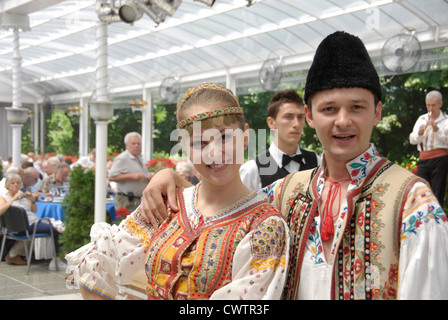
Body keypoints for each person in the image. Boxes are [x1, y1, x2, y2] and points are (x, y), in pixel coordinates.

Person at [140, 31, 448, 300]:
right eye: (329, 108)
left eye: (357, 107)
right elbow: (221, 205)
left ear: (377, 112)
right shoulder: (283, 194)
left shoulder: (412, 202)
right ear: (310, 116)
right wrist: (170, 178)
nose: (342, 120)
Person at [65, 83, 289, 300]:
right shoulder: (167, 204)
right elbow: (96, 264)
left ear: (246, 138)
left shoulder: (265, 226)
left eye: (225, 137)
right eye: (199, 142)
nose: (214, 152)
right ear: (185, 148)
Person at [240, 89, 319, 191]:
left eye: (300, 117)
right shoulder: (251, 170)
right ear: (271, 123)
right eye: (288, 117)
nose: (296, 124)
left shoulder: (317, 162)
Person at [0, 174, 64, 269]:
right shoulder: (3, 198)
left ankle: (56, 258)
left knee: (59, 227)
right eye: (12, 183)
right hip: (22, 226)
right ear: (7, 185)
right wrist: (14, 198)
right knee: (56, 230)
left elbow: (34, 210)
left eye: (18, 183)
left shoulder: (23, 195)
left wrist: (32, 200)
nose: (15, 185)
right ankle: (56, 260)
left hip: (33, 222)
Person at [409, 90, 448, 206]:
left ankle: (438, 220)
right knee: (420, 188)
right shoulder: (422, 119)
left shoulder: (445, 120)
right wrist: (419, 133)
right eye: (428, 105)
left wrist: (437, 130)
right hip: (424, 159)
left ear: (440, 104)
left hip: (440, 159)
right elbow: (412, 140)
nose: (430, 108)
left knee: (437, 192)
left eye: (433, 105)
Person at [108, 132, 151, 213]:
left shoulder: (139, 158)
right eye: (133, 143)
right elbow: (111, 177)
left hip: (138, 200)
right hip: (126, 201)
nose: (136, 146)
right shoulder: (122, 158)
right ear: (126, 145)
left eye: (138, 143)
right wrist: (131, 176)